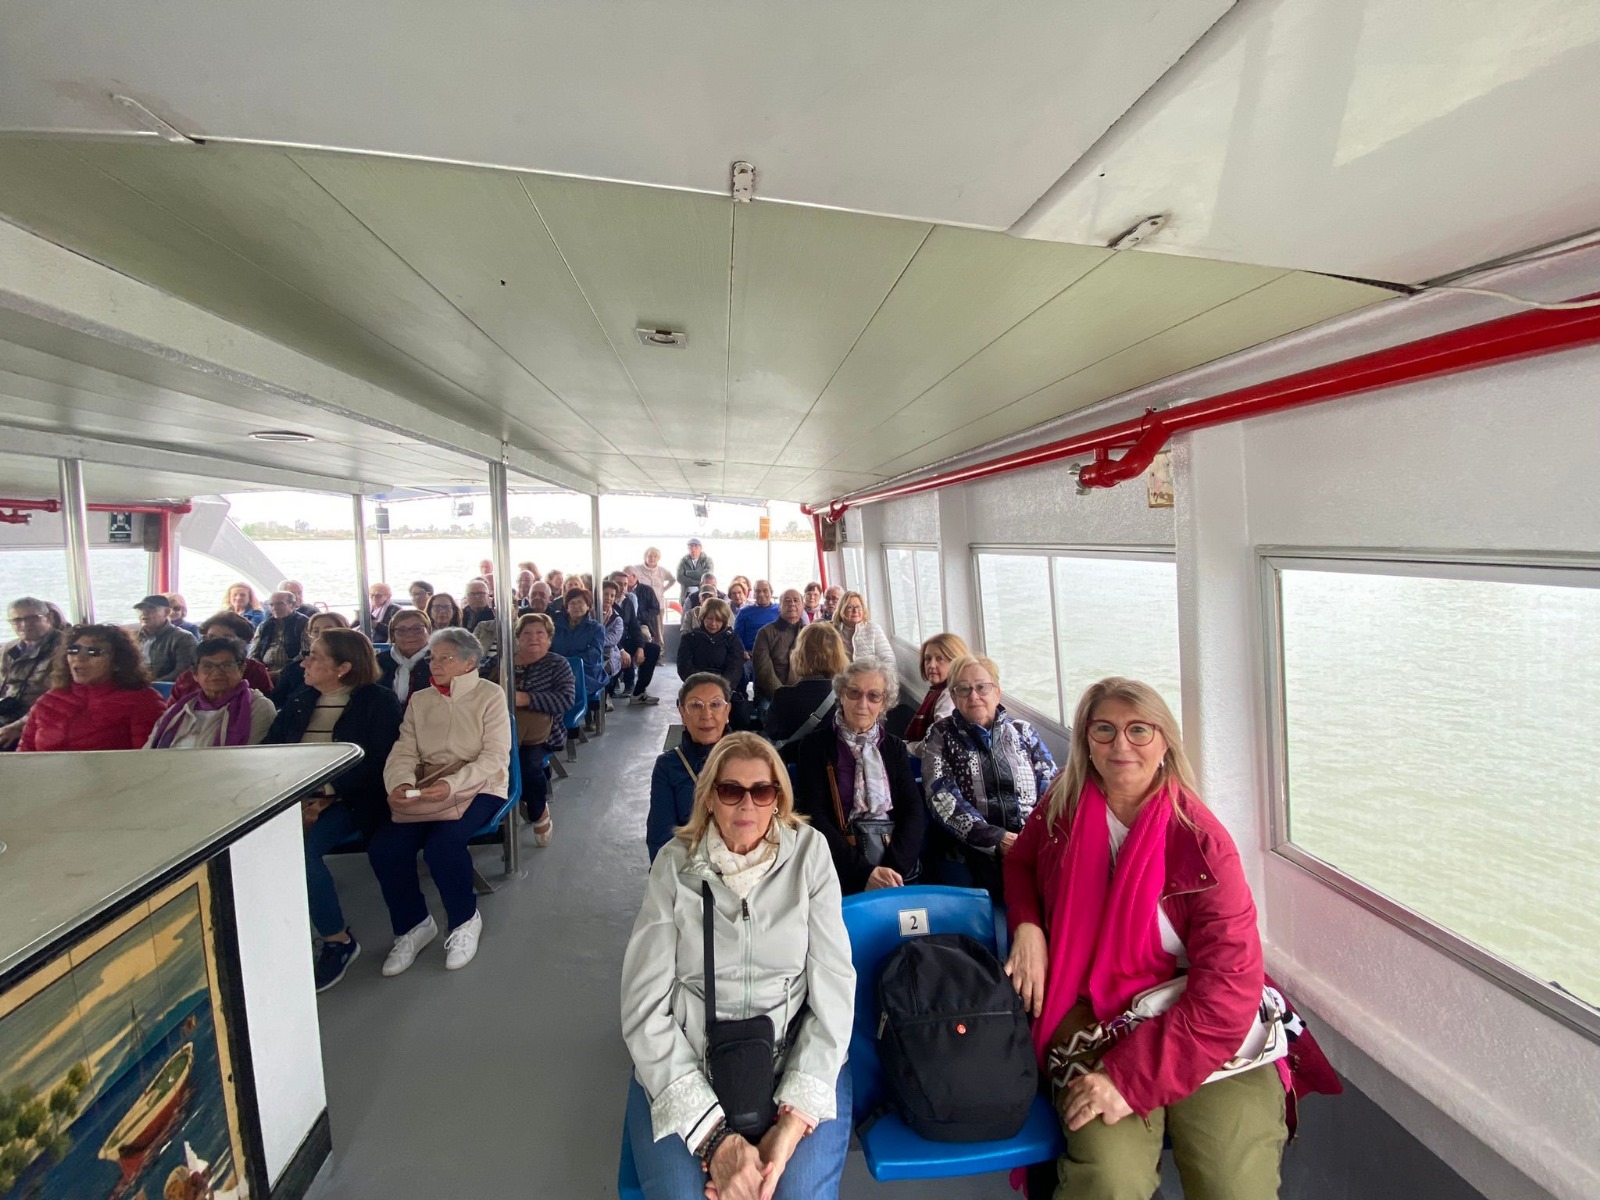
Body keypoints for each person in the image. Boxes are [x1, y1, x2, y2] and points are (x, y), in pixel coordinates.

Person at [1003, 678, 1319, 1200]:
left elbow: (1229, 990)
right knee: (1110, 1178)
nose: (1120, 745)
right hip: (1090, 1011)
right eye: (1104, 730)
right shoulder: (1063, 804)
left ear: (1165, 741)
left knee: (1233, 1184)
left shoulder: (1202, 844)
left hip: (1202, 1017)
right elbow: (1019, 862)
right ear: (1085, 740)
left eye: (1139, 730)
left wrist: (1128, 1081)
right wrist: (1028, 925)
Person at [621, 733, 855, 1200]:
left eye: (762, 791)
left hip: (791, 1059)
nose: (747, 804)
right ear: (710, 798)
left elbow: (834, 989)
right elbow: (643, 1008)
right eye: (731, 790)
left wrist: (789, 1128)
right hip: (692, 1064)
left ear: (778, 799)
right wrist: (716, 1141)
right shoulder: (673, 866)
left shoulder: (810, 855)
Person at [264, 629, 403, 992]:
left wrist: (327, 792)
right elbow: (271, 749)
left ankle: (338, 939)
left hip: (351, 800)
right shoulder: (301, 700)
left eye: (314, 657)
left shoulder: (378, 702)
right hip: (294, 796)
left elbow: (380, 763)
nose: (304, 663)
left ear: (343, 667)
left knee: (302, 854)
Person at [371, 628, 512, 975]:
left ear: (469, 662)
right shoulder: (421, 700)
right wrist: (401, 783)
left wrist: (451, 785)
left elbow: (494, 757)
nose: (435, 664)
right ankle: (414, 925)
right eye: (433, 657)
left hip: (481, 786)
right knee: (386, 847)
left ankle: (464, 919)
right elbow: (404, 750)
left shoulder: (490, 695)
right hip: (429, 785)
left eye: (445, 658)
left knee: (443, 846)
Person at [922, 654, 1057, 899]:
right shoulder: (941, 735)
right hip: (968, 848)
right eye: (963, 689)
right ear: (953, 697)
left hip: (1031, 841)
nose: (974, 696)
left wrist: (1034, 837)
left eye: (982, 687)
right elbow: (941, 796)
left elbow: (1052, 790)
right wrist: (996, 839)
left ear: (997, 692)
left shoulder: (1024, 732)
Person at [786, 660, 925, 894]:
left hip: (894, 867)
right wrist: (865, 873)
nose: (863, 703)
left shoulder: (894, 747)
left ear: (884, 703)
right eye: (854, 693)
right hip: (839, 865)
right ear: (841, 694)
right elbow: (815, 816)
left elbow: (913, 812)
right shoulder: (815, 746)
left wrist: (891, 870)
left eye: (874, 696)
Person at [19, 624, 165, 751]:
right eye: (74, 650)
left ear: (117, 662)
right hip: (46, 774)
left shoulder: (143, 701)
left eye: (94, 652)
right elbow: (24, 755)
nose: (79, 657)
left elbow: (149, 760)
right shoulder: (48, 700)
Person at [645, 673, 732, 860]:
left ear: (727, 711)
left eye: (715, 704)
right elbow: (661, 840)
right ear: (682, 713)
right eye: (695, 705)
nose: (706, 715)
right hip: (690, 868)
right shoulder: (668, 766)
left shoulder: (750, 759)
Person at [512, 612, 575, 848]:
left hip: (543, 732)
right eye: (527, 633)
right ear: (518, 638)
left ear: (549, 639)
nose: (533, 638)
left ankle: (538, 811)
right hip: (497, 729)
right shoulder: (501, 662)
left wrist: (527, 699)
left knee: (527, 764)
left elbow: (566, 700)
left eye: (540, 633)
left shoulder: (557, 664)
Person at [146, 637, 277, 748]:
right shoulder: (179, 710)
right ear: (195, 674)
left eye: (227, 665)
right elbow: (148, 753)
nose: (217, 672)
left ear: (241, 670)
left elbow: (247, 757)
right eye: (207, 666)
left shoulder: (257, 707)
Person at [763, 621, 848, 745]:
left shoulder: (783, 696)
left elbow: (771, 731)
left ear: (800, 655)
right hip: (833, 757)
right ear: (839, 655)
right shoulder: (846, 697)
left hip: (793, 757)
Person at [167, 612, 274, 705]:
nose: (217, 643)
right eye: (211, 637)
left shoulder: (255, 672)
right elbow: (170, 713)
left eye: (226, 638)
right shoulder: (188, 677)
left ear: (244, 642)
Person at [1, 597, 63, 748]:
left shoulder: (64, 647)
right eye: (17, 620)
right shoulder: (9, 649)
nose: (24, 625)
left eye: (32, 618)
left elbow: (58, 699)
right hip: (8, 714)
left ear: (48, 617)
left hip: (38, 720)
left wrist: (18, 727)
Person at [903, 632, 972, 755]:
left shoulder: (949, 696)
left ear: (956, 663)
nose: (931, 665)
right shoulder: (938, 690)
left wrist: (906, 748)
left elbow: (938, 741)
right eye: (928, 659)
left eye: (939, 659)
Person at [272, 611, 352, 706]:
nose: (321, 635)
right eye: (316, 631)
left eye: (329, 630)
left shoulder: (356, 666)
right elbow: (276, 703)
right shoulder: (294, 670)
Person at [675, 597, 743, 693]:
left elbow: (735, 667)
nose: (713, 623)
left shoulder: (732, 639)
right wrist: (699, 684)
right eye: (709, 618)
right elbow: (683, 666)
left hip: (724, 687)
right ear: (703, 618)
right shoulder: (690, 638)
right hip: (695, 685)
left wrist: (721, 686)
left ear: (724, 621)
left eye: (718, 620)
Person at [552, 586, 606, 705]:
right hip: (557, 671)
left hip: (586, 673)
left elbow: (594, 654)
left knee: (571, 687)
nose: (576, 606)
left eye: (580, 602)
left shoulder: (597, 629)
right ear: (567, 608)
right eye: (572, 603)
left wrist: (571, 664)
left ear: (588, 606)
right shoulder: (555, 627)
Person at [617, 568, 662, 706]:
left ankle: (639, 692)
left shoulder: (627, 602)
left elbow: (635, 627)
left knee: (653, 649)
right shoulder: (603, 603)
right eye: (618, 584)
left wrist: (640, 647)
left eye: (625, 584)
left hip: (626, 640)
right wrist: (621, 650)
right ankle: (605, 694)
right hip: (612, 645)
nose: (622, 587)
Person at [752, 589, 805, 704]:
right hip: (771, 693)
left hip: (802, 692)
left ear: (803, 606)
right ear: (779, 607)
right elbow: (763, 670)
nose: (792, 604)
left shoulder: (809, 633)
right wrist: (781, 695)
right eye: (787, 601)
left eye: (796, 600)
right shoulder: (765, 632)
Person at [134, 594, 198, 683]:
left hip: (167, 688)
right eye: (141, 610)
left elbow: (183, 672)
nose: (144, 613)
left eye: (151, 609)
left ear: (167, 612)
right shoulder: (134, 638)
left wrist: (152, 684)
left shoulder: (184, 638)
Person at [251, 591, 310, 681]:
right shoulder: (264, 625)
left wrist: (280, 673)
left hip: (293, 672)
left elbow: (305, 653)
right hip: (264, 672)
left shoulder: (303, 623)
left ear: (293, 605)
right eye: (271, 605)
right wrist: (260, 670)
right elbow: (253, 653)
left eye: (279, 604)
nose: (274, 608)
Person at [379, 608, 433, 704]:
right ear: (393, 635)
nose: (409, 634)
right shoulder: (378, 662)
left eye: (417, 629)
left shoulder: (438, 660)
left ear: (428, 630)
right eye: (401, 630)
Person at [831, 591, 894, 672]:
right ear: (842, 610)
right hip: (843, 677)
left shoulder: (873, 629)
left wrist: (882, 678)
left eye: (858, 607)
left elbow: (888, 659)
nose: (855, 611)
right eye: (850, 607)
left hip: (870, 676)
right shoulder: (833, 630)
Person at [633, 547, 674, 643]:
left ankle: (660, 649)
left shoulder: (662, 571)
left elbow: (672, 579)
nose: (652, 558)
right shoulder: (637, 569)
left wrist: (663, 589)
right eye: (650, 556)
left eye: (655, 556)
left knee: (658, 633)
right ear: (645, 556)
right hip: (643, 607)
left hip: (658, 605)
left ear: (658, 558)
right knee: (642, 631)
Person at [733, 580, 779, 653]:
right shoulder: (744, 612)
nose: (761, 594)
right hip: (751, 652)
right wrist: (743, 652)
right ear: (754, 594)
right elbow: (737, 637)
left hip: (775, 652)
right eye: (758, 591)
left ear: (771, 592)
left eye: (765, 591)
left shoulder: (780, 609)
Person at [675, 537, 714, 601]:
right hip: (686, 595)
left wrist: (687, 573)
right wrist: (699, 582)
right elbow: (679, 578)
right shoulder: (683, 561)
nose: (693, 550)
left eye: (696, 547)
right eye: (691, 547)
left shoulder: (707, 560)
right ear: (688, 548)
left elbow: (708, 575)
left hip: (702, 594)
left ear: (701, 548)